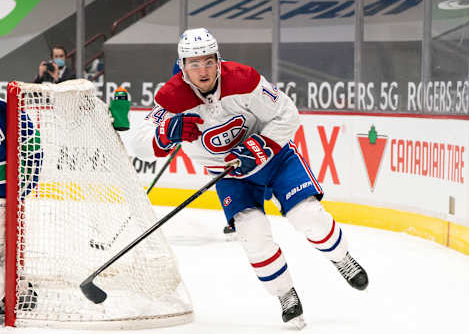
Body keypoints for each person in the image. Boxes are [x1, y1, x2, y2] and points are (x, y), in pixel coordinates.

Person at [132, 28, 368, 327]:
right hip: (229, 175)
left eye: (208, 61)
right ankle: (285, 294)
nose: (202, 70)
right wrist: (167, 132)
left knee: (307, 216)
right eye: (194, 64)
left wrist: (259, 146)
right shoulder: (171, 97)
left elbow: (288, 114)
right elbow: (140, 144)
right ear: (182, 66)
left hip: (275, 159)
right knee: (252, 232)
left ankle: (341, 257)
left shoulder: (244, 79)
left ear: (218, 59)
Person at [0, 93, 43, 314]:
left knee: (2, 258)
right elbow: (35, 150)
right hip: (7, 205)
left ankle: (11, 288)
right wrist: (20, 190)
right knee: (4, 257)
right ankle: (16, 288)